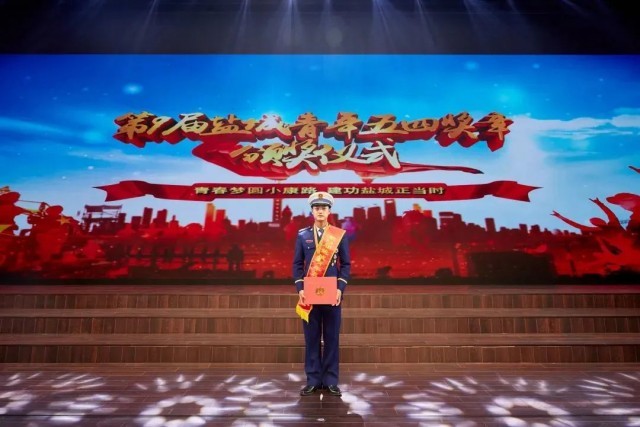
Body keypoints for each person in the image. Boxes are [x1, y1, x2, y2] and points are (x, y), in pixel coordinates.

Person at [293, 191, 351, 397]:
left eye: (323, 208)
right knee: (312, 339)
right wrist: (300, 289)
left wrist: (340, 289)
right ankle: (313, 380)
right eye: (316, 208)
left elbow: (346, 265)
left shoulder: (338, 235)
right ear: (312, 211)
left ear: (329, 211)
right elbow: (297, 264)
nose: (320, 211)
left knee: (332, 338)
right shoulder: (303, 235)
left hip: (332, 295)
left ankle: (331, 381)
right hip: (310, 294)